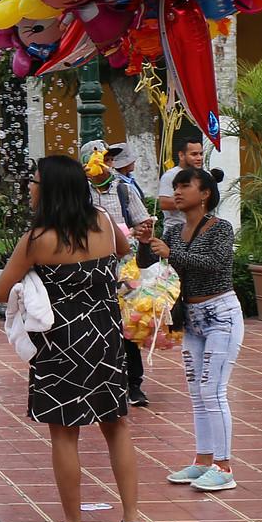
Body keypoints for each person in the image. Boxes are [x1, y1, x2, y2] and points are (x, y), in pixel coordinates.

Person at [0, 156, 143, 522]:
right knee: (117, 425)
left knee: (64, 434)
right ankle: (131, 521)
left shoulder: (37, 240)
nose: (30, 187)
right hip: (106, 337)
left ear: (51, 188)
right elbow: (125, 249)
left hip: (60, 345)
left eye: (35, 181)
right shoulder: (105, 223)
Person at [134, 166, 241, 492]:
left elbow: (215, 264)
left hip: (221, 315)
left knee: (213, 390)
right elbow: (145, 265)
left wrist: (172, 252)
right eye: (175, 187)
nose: (177, 192)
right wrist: (146, 242)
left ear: (205, 193)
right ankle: (202, 461)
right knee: (197, 393)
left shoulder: (220, 228)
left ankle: (224, 467)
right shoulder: (174, 231)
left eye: (185, 186)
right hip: (192, 318)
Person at [83, 140, 154, 407]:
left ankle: (133, 384)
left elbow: (143, 223)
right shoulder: (80, 193)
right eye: (100, 159)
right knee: (96, 325)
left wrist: (141, 232)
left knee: (126, 326)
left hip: (124, 270)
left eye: (110, 160)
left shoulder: (124, 189)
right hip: (90, 268)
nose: (106, 165)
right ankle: (97, 380)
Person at [156, 139, 206, 234]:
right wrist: (195, 200)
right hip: (175, 232)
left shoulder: (203, 175)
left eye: (201, 154)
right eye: (194, 154)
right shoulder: (170, 175)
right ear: (181, 155)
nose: (199, 158)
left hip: (198, 231)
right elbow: (164, 203)